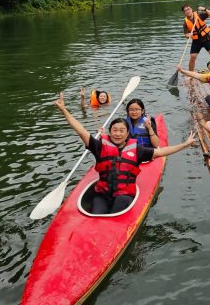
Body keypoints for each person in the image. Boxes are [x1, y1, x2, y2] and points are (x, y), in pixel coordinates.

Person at [54, 92, 195, 215]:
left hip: (124, 195)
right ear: (110, 132)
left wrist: (184, 145)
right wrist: (64, 110)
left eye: (122, 130)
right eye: (114, 130)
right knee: (97, 212)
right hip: (102, 194)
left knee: (118, 206)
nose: (118, 133)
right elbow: (81, 130)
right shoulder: (99, 146)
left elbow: (161, 151)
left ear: (128, 133)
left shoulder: (137, 150)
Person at [182, 3, 210, 71]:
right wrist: (189, 35)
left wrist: (204, 9)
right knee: (193, 57)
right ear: (184, 13)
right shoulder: (185, 22)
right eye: (185, 10)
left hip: (206, 38)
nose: (187, 11)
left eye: (188, 9)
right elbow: (186, 35)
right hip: (196, 41)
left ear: (191, 9)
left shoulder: (199, 15)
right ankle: (191, 74)